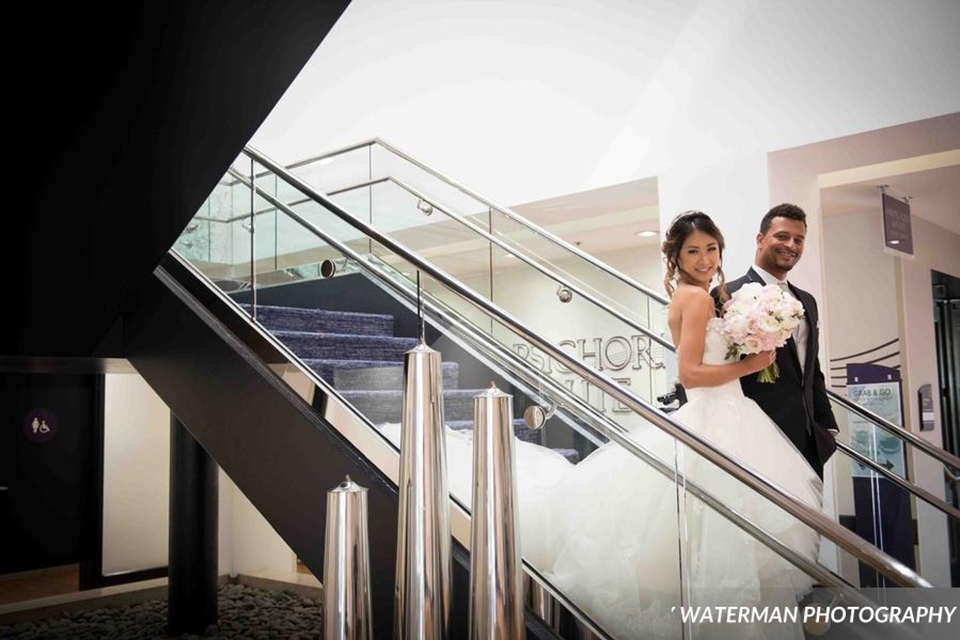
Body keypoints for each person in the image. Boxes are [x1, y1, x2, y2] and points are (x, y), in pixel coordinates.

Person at [537, 211, 823, 640]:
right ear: (677, 256)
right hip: (718, 419)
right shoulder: (697, 299)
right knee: (729, 540)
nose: (705, 259)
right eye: (694, 251)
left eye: (711, 249)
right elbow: (689, 374)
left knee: (723, 540)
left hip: (730, 416)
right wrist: (751, 364)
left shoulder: (702, 294)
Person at [719, 203, 838, 478]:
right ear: (760, 239)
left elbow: (811, 368)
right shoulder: (726, 295)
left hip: (808, 438)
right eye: (782, 236)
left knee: (808, 519)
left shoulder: (807, 300)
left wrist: (826, 424)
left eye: (799, 239)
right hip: (757, 436)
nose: (791, 245)